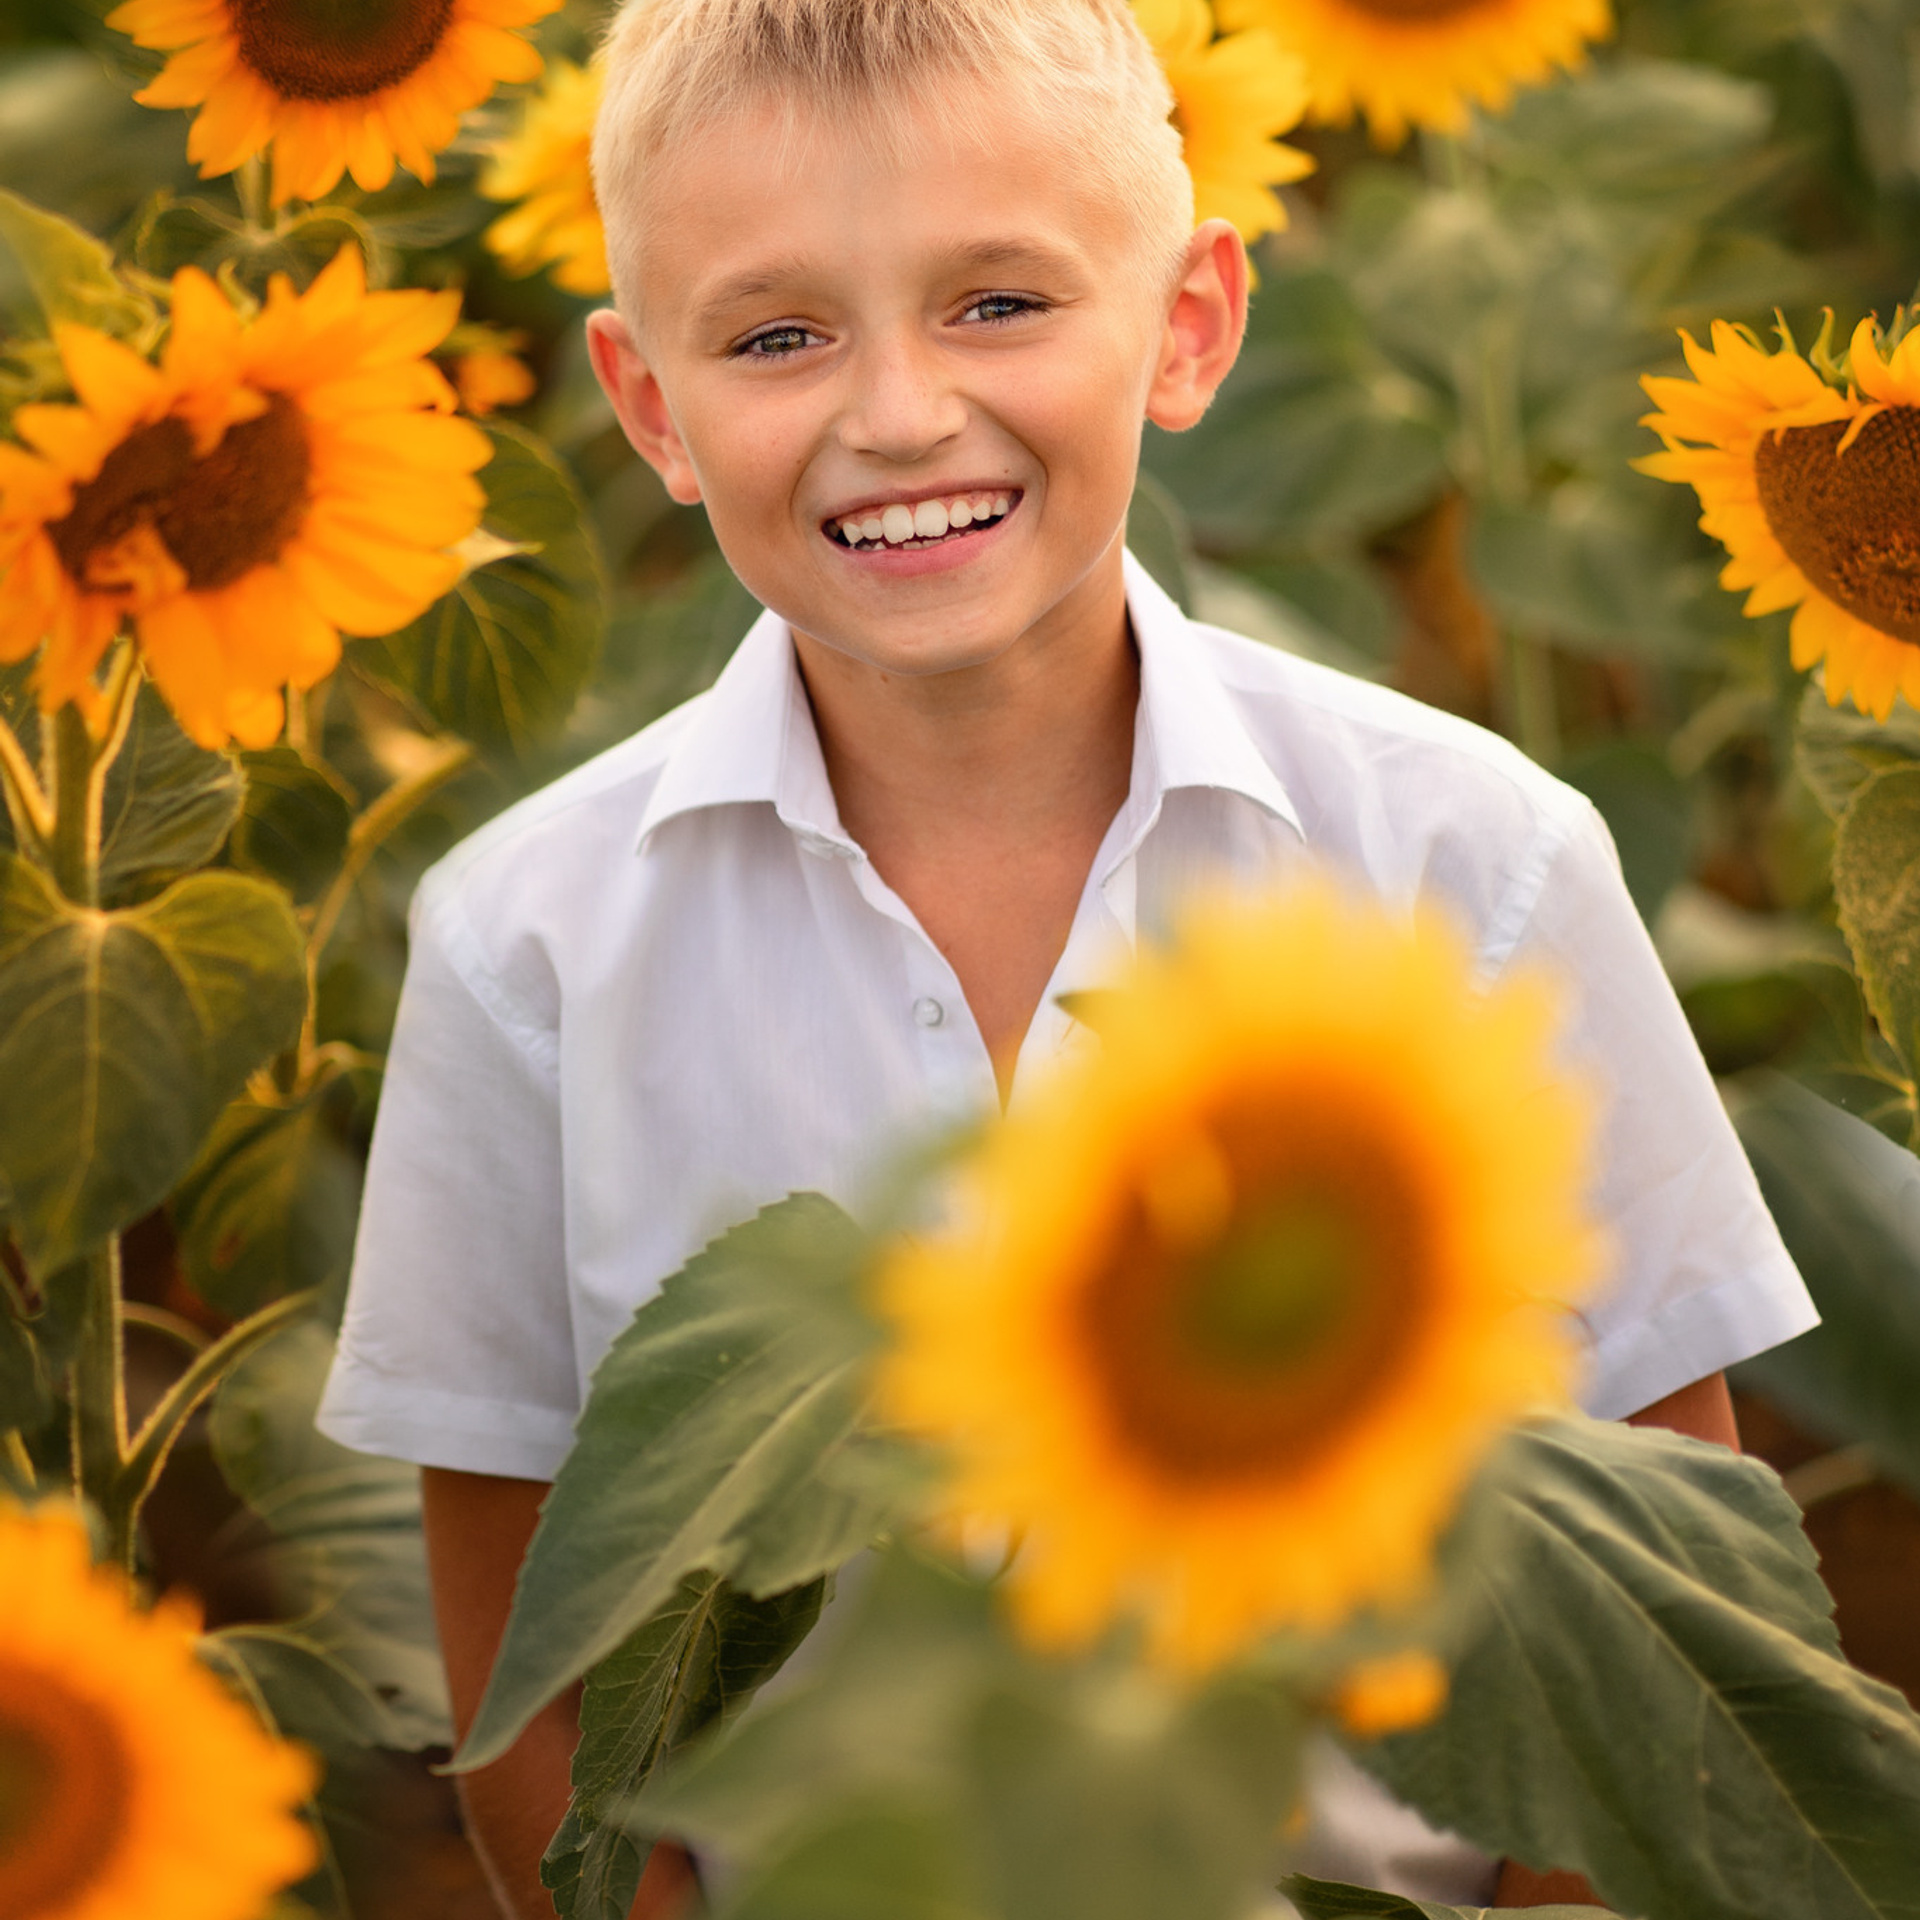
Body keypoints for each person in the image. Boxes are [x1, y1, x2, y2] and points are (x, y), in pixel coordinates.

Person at [316, 0, 1818, 1913]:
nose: (898, 414)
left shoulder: (1474, 867)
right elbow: (528, 1643)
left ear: (1190, 326)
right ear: (646, 407)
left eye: (998, 304)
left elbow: (1662, 1572)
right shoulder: (530, 942)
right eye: (779, 336)